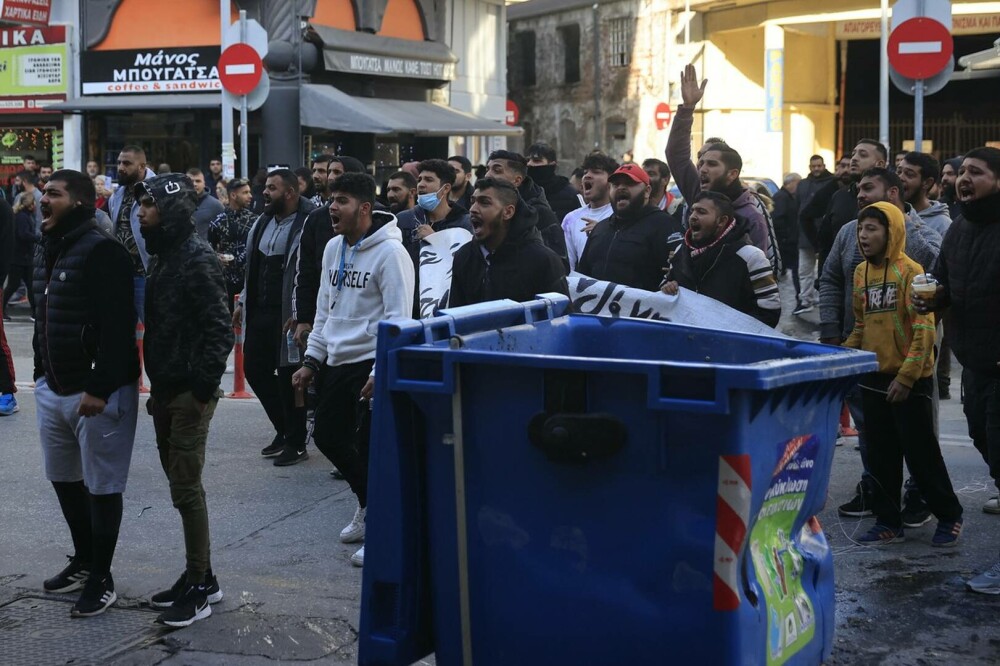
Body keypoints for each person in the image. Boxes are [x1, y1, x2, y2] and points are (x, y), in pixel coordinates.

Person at [292, 173, 414, 568]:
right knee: (327, 436)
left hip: (369, 365)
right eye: (330, 199)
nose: (331, 207)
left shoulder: (391, 254)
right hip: (336, 362)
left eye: (341, 200)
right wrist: (312, 360)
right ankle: (367, 505)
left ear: (364, 208)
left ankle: (383, 525)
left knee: (370, 451)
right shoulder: (332, 248)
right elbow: (325, 309)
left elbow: (398, 317)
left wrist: (381, 370)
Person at [33, 169, 140, 617]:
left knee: (101, 487)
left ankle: (102, 577)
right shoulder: (47, 247)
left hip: (98, 395)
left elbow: (119, 328)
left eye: (53, 195)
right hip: (52, 387)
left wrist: (98, 388)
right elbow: (45, 317)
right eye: (44, 193)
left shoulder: (104, 251)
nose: (43, 201)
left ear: (78, 202)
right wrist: (40, 374)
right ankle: (84, 559)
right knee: (64, 479)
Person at [135, 173, 233, 626]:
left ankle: (198, 588)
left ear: (171, 210)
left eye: (149, 205)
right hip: (167, 390)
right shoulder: (163, 255)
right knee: (181, 488)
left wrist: (199, 390)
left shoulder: (197, 258)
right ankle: (203, 575)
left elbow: (218, 330)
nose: (141, 212)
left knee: (186, 490)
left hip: (189, 393)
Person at [820, 167, 940, 521]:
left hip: (909, 362)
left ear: (893, 192)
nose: (858, 194)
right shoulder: (847, 236)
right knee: (873, 437)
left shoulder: (918, 240)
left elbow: (934, 273)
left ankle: (927, 499)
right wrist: (834, 338)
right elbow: (830, 279)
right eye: (857, 189)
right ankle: (878, 494)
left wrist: (900, 227)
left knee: (917, 441)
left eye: (867, 187)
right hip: (863, 357)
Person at [843, 202, 963, 546]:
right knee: (881, 457)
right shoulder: (861, 274)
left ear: (892, 232)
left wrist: (907, 378)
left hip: (911, 382)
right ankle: (887, 521)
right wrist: (840, 356)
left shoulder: (912, 272)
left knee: (921, 455)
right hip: (874, 378)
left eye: (873, 229)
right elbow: (861, 325)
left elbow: (924, 330)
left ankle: (950, 515)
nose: (865, 236)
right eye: (861, 229)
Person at [912, 148, 1000, 590]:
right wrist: (932, 297)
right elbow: (941, 281)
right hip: (976, 362)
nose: (963, 179)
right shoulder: (961, 229)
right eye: (961, 172)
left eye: (976, 173)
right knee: (983, 439)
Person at [666, 64, 781, 275]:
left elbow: (758, 271)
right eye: (701, 163)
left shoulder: (751, 215)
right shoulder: (698, 194)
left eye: (712, 164)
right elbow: (677, 156)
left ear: (732, 174)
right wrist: (687, 108)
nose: (702, 168)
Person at [237, 169, 314, 467]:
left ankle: (295, 441)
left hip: (290, 314)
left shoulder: (310, 220)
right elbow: (251, 267)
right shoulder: (263, 221)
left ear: (291, 192)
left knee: (289, 379)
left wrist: (303, 314)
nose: (264, 193)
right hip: (261, 311)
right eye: (265, 187)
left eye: (272, 188)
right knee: (255, 369)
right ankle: (284, 429)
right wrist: (243, 301)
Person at [662, 191, 780, 326]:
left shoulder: (750, 257)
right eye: (692, 211)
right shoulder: (680, 252)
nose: (693, 217)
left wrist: (731, 331)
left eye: (701, 212)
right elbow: (664, 289)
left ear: (722, 221)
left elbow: (770, 312)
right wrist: (668, 288)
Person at [449, 177, 567, 307]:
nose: (473, 209)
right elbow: (455, 314)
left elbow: (561, 318)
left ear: (508, 212)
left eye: (484, 203)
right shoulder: (464, 256)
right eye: (473, 202)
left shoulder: (542, 260)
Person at [576, 164, 677, 292]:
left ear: (647, 191)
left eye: (629, 184)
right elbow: (583, 275)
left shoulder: (665, 226)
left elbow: (679, 274)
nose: (621, 188)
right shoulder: (600, 229)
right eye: (615, 184)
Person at [485, 149, 568, 264]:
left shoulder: (540, 214)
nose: (488, 175)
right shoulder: (481, 210)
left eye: (497, 170)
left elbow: (559, 263)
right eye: (487, 169)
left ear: (517, 180)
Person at [108, 145, 155, 321]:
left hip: (147, 274)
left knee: (153, 326)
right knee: (121, 328)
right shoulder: (118, 194)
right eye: (119, 163)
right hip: (121, 274)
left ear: (142, 166)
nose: (120, 167)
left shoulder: (158, 191)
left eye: (127, 163)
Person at [208, 178, 257, 312]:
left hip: (249, 281)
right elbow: (208, 248)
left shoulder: (255, 221)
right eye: (245, 192)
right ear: (233, 195)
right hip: (224, 283)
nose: (250, 196)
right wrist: (217, 257)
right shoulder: (218, 222)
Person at [562, 153, 618, 271]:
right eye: (585, 172)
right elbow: (568, 267)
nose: (587, 176)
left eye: (596, 172)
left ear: (611, 181)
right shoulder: (571, 219)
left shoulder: (621, 216)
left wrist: (602, 232)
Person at [795, 155, 835, 314]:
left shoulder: (832, 183)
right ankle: (806, 300)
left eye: (819, 165)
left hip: (827, 235)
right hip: (805, 236)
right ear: (809, 167)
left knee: (827, 270)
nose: (816, 169)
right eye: (813, 166)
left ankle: (824, 299)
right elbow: (798, 209)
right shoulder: (803, 184)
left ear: (824, 165)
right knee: (804, 271)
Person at [526, 142, 583, 224]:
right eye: (528, 160)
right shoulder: (522, 191)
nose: (530, 164)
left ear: (551, 164)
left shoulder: (569, 194)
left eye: (536, 161)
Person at [3, 192, 40, 314]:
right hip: (20, 258)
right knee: (14, 285)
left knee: (29, 285)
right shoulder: (22, 217)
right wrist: (37, 238)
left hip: (24, 257)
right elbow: (23, 234)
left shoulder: (24, 215)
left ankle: (34, 312)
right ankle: (2, 308)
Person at [772, 172, 802, 313]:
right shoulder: (782, 198)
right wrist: (786, 237)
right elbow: (778, 219)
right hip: (786, 241)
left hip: (788, 240)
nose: (799, 186)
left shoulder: (787, 197)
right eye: (798, 183)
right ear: (789, 183)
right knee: (795, 269)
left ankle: (800, 298)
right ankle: (799, 299)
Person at [185, 168, 225, 240]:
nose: (194, 184)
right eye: (191, 181)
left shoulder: (216, 206)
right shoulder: (178, 204)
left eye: (198, 181)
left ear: (204, 183)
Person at [938, 157, 962, 221]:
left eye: (950, 174)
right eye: (943, 174)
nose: (944, 178)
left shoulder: (970, 205)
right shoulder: (940, 205)